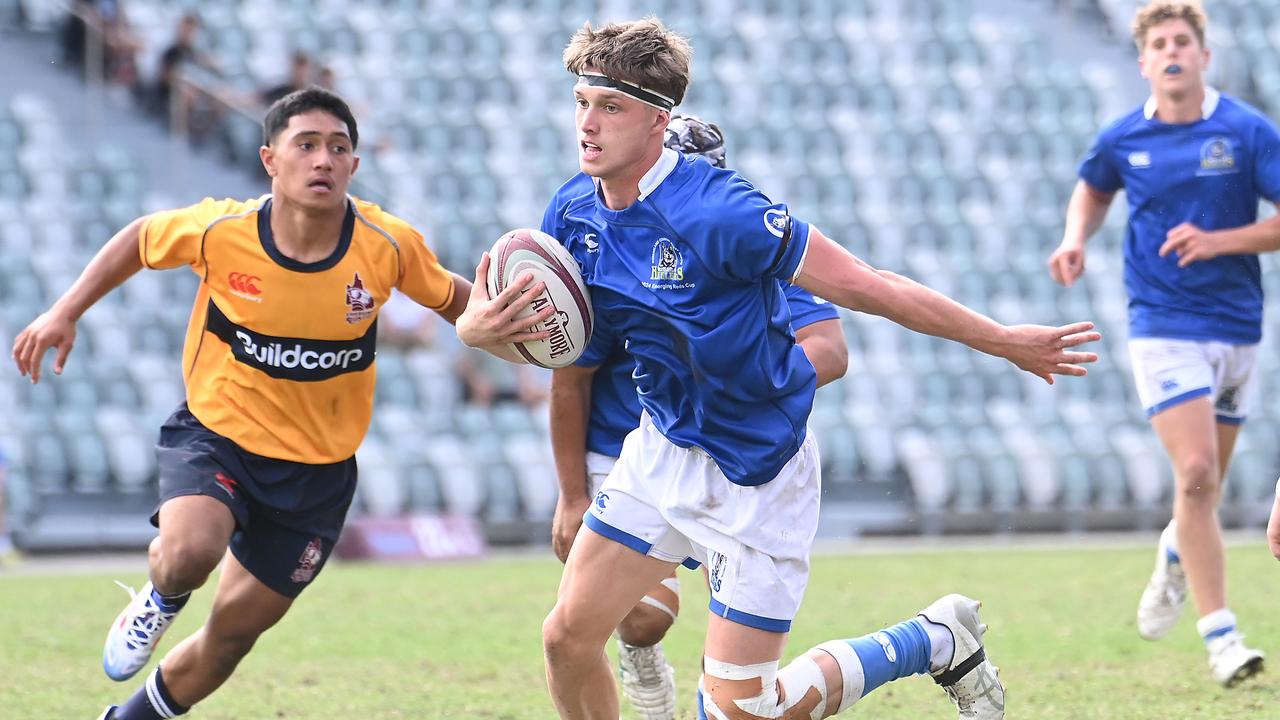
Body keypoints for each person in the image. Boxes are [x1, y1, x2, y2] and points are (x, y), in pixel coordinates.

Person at [457, 18, 1099, 720]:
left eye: (610, 107)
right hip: (661, 453)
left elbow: (867, 285)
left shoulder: (721, 210)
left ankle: (933, 638)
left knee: (738, 713)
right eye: (582, 102)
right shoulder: (572, 210)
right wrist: (475, 329)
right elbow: (558, 343)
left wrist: (1004, 339)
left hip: (758, 473)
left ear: (656, 121)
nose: (588, 123)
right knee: (566, 638)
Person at [11, 87, 548, 720]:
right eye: (307, 145)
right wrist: (65, 310)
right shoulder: (223, 231)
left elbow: (455, 298)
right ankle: (159, 596)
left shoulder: (386, 244)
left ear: (354, 166)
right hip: (218, 437)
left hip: (316, 475)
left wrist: (513, 328)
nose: (323, 159)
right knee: (188, 554)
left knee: (233, 636)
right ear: (271, 159)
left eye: (339, 148)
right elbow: (139, 237)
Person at [549, 114, 850, 720]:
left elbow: (831, 348)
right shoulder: (596, 230)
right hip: (639, 449)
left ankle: (931, 639)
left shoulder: (733, 239)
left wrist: (745, 385)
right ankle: (641, 659)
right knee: (630, 622)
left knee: (737, 710)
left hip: (744, 463)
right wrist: (570, 491)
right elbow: (568, 375)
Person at [1047, 0, 1280, 688]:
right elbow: (1091, 190)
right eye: (1161, 43)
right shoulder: (1122, 137)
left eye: (1185, 40)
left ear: (1204, 56)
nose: (1174, 51)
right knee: (1199, 474)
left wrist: (1220, 241)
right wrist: (1072, 239)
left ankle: (1176, 553)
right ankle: (1223, 640)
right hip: (1160, 323)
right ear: (1144, 60)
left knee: (1201, 488)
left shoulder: (1244, 130)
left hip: (1236, 327)